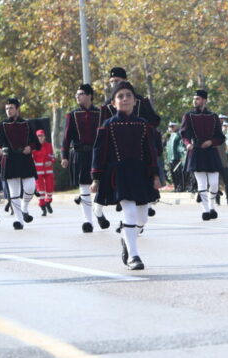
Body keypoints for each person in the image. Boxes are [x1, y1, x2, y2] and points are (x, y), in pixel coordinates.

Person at [91, 81, 160, 271]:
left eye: (128, 95)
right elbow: (99, 152)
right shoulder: (107, 125)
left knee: (142, 218)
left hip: (141, 174)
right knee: (128, 212)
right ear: (113, 103)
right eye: (120, 96)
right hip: (118, 175)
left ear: (135, 101)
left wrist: (155, 175)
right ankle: (134, 255)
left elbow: (151, 151)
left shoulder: (144, 125)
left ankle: (126, 237)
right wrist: (96, 178)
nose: (125, 99)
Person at [61, 83, 108, 233]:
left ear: (89, 95)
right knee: (84, 187)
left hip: (98, 154)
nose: (77, 97)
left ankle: (98, 211)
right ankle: (88, 221)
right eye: (76, 94)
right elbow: (66, 137)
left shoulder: (101, 112)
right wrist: (64, 156)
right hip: (80, 154)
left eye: (80, 94)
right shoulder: (72, 115)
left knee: (101, 185)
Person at [0, 98, 41, 230]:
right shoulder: (1, 125)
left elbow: (36, 143)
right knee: (14, 192)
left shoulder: (26, 124)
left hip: (25, 159)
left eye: (11, 108)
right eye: (7, 108)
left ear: (17, 109)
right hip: (9, 160)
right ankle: (19, 220)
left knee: (30, 188)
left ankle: (25, 207)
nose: (8, 111)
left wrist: (30, 148)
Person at [180, 90, 225, 221]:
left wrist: (211, 142)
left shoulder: (213, 116)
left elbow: (220, 137)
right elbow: (184, 134)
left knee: (214, 183)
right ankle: (205, 210)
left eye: (198, 99)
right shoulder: (188, 116)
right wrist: (188, 144)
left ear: (205, 100)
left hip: (211, 153)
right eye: (194, 98)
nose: (195, 101)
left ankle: (212, 206)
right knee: (202, 184)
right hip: (196, 152)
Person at [32, 129, 55, 216]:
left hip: (48, 171)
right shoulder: (33, 147)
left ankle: (48, 202)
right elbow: (31, 159)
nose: (41, 138)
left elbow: (52, 156)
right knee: (41, 191)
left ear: (45, 136)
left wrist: (51, 161)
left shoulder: (49, 145)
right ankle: (42, 207)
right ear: (36, 137)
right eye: (39, 136)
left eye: (42, 136)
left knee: (50, 189)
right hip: (38, 172)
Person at [164, 121, 187, 192]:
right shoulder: (170, 135)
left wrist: (182, 155)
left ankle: (180, 187)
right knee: (173, 174)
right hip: (171, 158)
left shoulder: (179, 135)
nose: (171, 128)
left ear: (176, 126)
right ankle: (176, 187)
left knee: (179, 174)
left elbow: (181, 146)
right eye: (170, 126)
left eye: (172, 126)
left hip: (177, 158)